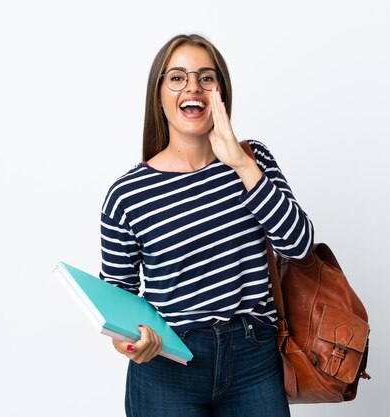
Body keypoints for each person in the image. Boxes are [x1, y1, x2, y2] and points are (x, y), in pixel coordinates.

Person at [100, 33, 314, 417]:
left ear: (221, 92)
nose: (193, 88)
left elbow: (299, 246)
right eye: (178, 77)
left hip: (254, 361)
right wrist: (128, 343)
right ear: (159, 92)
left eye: (206, 78)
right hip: (168, 365)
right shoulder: (127, 194)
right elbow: (117, 297)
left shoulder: (253, 160)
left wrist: (242, 164)